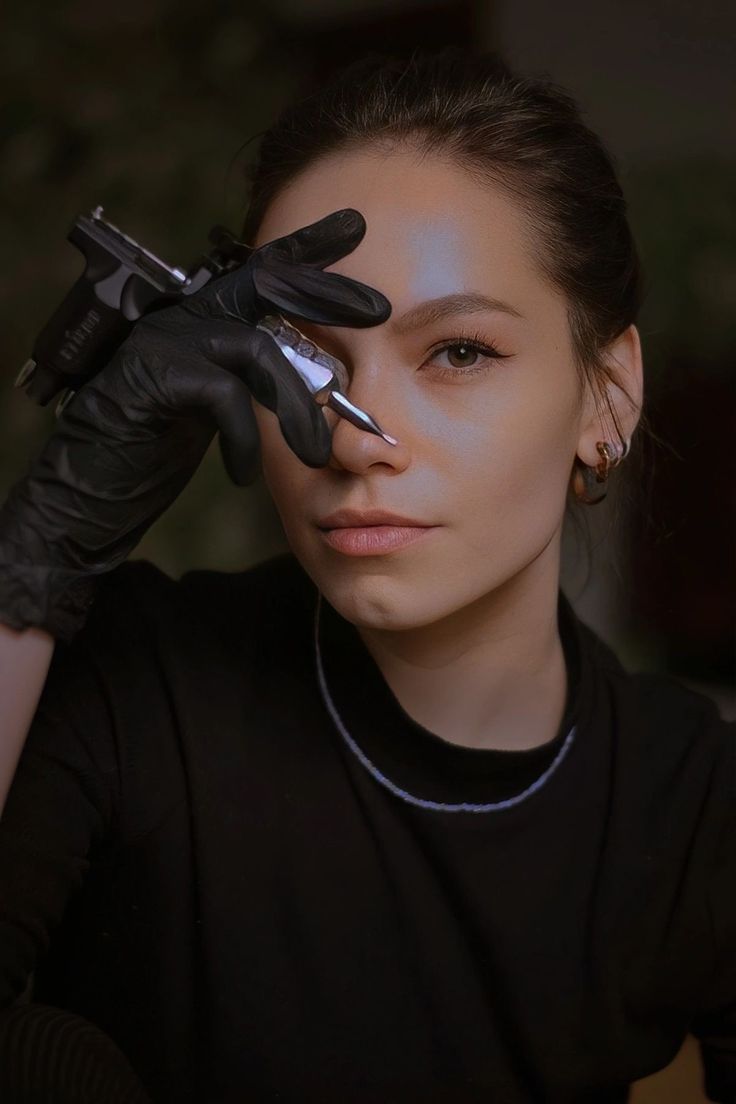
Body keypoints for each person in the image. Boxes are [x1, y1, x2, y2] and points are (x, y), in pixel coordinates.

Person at [0, 48, 733, 1104]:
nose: (357, 442)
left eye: (460, 353)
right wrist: (37, 559)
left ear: (606, 398)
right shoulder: (128, 685)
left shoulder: (695, 805)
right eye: (304, 361)